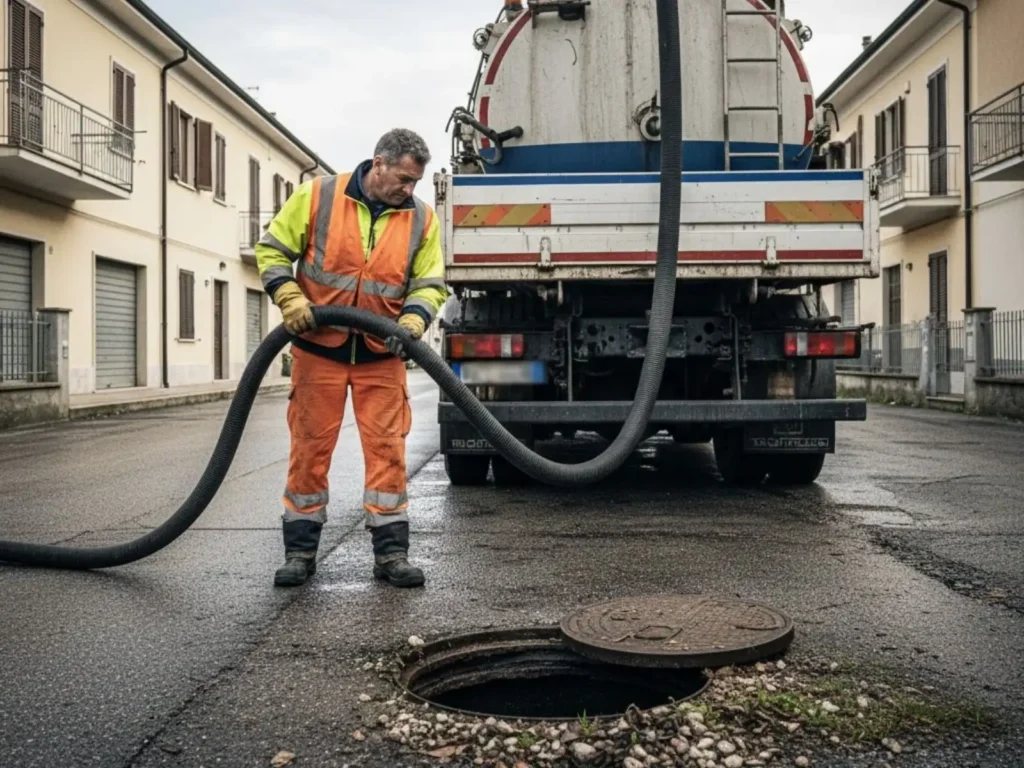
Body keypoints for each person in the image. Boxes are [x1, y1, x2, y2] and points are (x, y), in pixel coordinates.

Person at [255, 128, 447, 589]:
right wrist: (290, 299)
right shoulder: (318, 196)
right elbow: (273, 251)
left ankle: (391, 556)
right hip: (318, 349)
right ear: (377, 163)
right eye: (403, 178)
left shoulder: (421, 218)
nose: (409, 189)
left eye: (415, 182)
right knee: (309, 451)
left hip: (382, 354)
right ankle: (300, 554)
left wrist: (414, 323)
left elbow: (429, 282)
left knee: (387, 454)